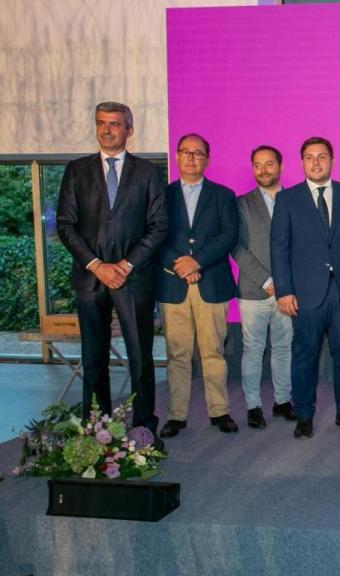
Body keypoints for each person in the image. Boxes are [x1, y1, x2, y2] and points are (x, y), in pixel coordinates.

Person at [56, 101, 167, 438]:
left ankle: (144, 428)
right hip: (90, 280)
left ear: (128, 129)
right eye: (101, 123)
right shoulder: (77, 170)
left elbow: (159, 226)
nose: (107, 129)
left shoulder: (148, 173)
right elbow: (65, 225)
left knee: (139, 358)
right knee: (93, 359)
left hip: (134, 280)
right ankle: (97, 427)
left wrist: (125, 264)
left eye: (115, 124)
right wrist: (97, 266)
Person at [271, 137, 340, 440]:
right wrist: (284, 290)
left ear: (332, 160)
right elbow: (278, 248)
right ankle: (304, 415)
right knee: (304, 356)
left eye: (322, 157)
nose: (316, 163)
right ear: (302, 162)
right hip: (305, 293)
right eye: (310, 157)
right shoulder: (287, 199)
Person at [157, 133, 240, 438]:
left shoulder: (223, 195)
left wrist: (197, 262)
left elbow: (228, 235)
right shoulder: (161, 196)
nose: (191, 158)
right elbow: (155, 236)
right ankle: (176, 415)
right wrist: (180, 265)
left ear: (207, 159)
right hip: (172, 285)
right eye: (186, 152)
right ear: (177, 157)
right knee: (177, 354)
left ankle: (220, 412)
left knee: (213, 352)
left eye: (198, 153)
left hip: (211, 282)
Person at [234, 145, 295, 429]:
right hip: (253, 291)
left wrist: (284, 283)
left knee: (283, 348)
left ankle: (283, 401)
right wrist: (267, 280)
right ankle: (253, 405)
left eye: (269, 164)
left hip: (288, 292)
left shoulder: (296, 200)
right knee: (253, 349)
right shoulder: (240, 203)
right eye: (257, 165)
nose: (263, 170)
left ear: (280, 166)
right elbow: (237, 248)